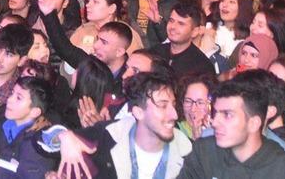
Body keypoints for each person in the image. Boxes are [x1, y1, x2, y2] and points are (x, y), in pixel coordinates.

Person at [43, 71, 194, 179]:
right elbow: (41, 139)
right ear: (138, 112)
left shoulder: (189, 153)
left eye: (174, 105)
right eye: (163, 105)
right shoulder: (109, 134)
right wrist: (64, 136)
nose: (174, 115)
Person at [175, 76, 285, 179]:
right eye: (216, 113)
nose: (215, 122)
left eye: (227, 115)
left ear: (253, 123)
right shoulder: (204, 152)